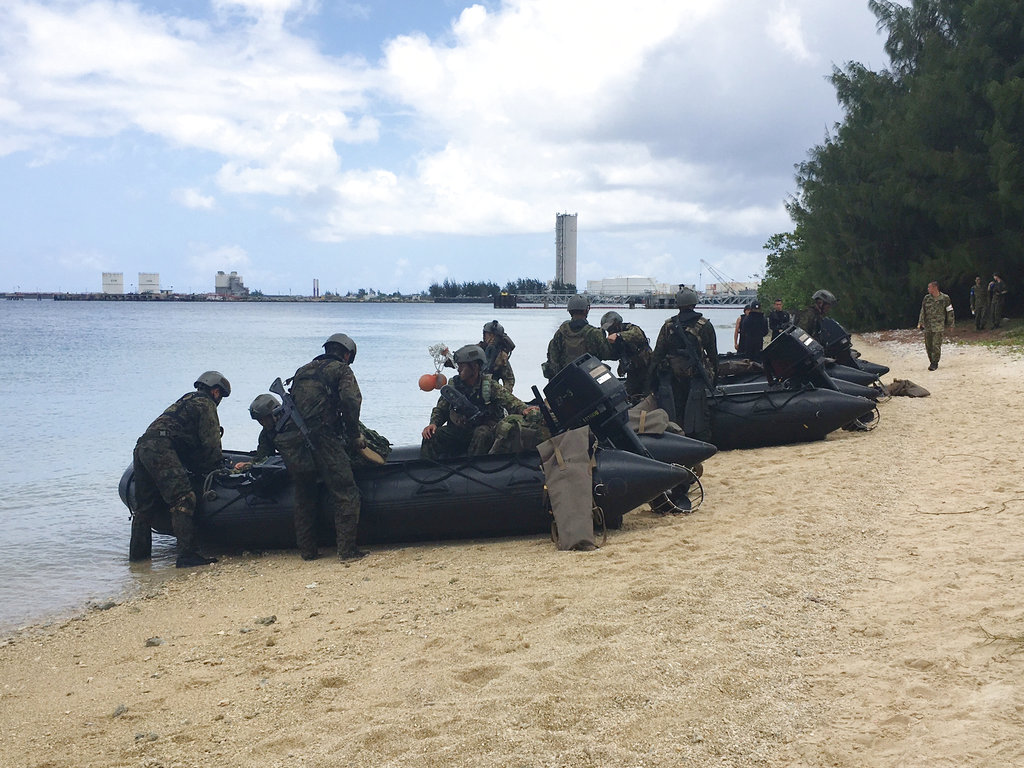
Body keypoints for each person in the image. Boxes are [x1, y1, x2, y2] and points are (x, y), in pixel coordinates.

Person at [277, 333, 366, 561]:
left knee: (305, 494)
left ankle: (307, 551)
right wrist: (354, 434)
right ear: (346, 354)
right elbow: (350, 401)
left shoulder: (302, 370)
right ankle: (347, 551)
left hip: (294, 440)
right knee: (346, 492)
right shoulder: (342, 370)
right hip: (323, 438)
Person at [130, 371, 230, 568]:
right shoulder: (205, 405)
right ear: (216, 392)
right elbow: (211, 444)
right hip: (161, 448)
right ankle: (187, 555)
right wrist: (219, 468)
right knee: (184, 499)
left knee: (144, 509)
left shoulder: (186, 400)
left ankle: (138, 560)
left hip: (143, 446)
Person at [421, 344, 536, 459]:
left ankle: (473, 469)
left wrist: (523, 409)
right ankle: (427, 470)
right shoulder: (454, 386)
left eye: (462, 365)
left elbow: (510, 401)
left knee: (482, 433)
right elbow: (441, 409)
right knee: (431, 435)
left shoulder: (489, 386)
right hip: (459, 431)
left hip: (482, 432)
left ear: (475, 367)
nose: (459, 369)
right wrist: (433, 423)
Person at [648, 287, 718, 441]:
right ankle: (700, 441)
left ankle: (677, 439)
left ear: (677, 304)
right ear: (694, 303)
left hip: (673, 377)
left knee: (675, 411)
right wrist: (715, 378)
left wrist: (651, 383)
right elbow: (713, 355)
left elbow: (657, 355)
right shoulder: (705, 326)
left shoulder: (668, 326)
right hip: (697, 376)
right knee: (700, 412)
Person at [543, 295, 611, 379]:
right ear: (586, 311)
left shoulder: (560, 333)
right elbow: (608, 354)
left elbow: (553, 358)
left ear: (570, 311)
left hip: (566, 381)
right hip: (589, 382)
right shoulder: (594, 333)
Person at [600, 310, 653, 399]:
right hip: (632, 372)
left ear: (617, 324)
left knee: (648, 394)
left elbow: (637, 334)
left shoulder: (631, 329)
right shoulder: (614, 341)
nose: (609, 332)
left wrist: (618, 336)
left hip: (647, 369)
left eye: (611, 329)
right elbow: (612, 354)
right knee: (627, 395)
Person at [917, 281, 954, 370]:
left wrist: (951, 324)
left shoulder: (945, 298)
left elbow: (949, 311)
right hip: (928, 325)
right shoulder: (927, 298)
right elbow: (923, 310)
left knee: (936, 345)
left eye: (929, 287)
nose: (928, 289)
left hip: (938, 325)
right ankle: (931, 361)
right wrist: (920, 322)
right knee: (928, 345)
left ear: (935, 287)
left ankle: (935, 362)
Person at [479, 319, 516, 392]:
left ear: (492, 335)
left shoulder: (501, 357)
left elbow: (509, 379)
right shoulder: (479, 349)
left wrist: (503, 394)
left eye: (486, 334)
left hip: (491, 391)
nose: (485, 337)